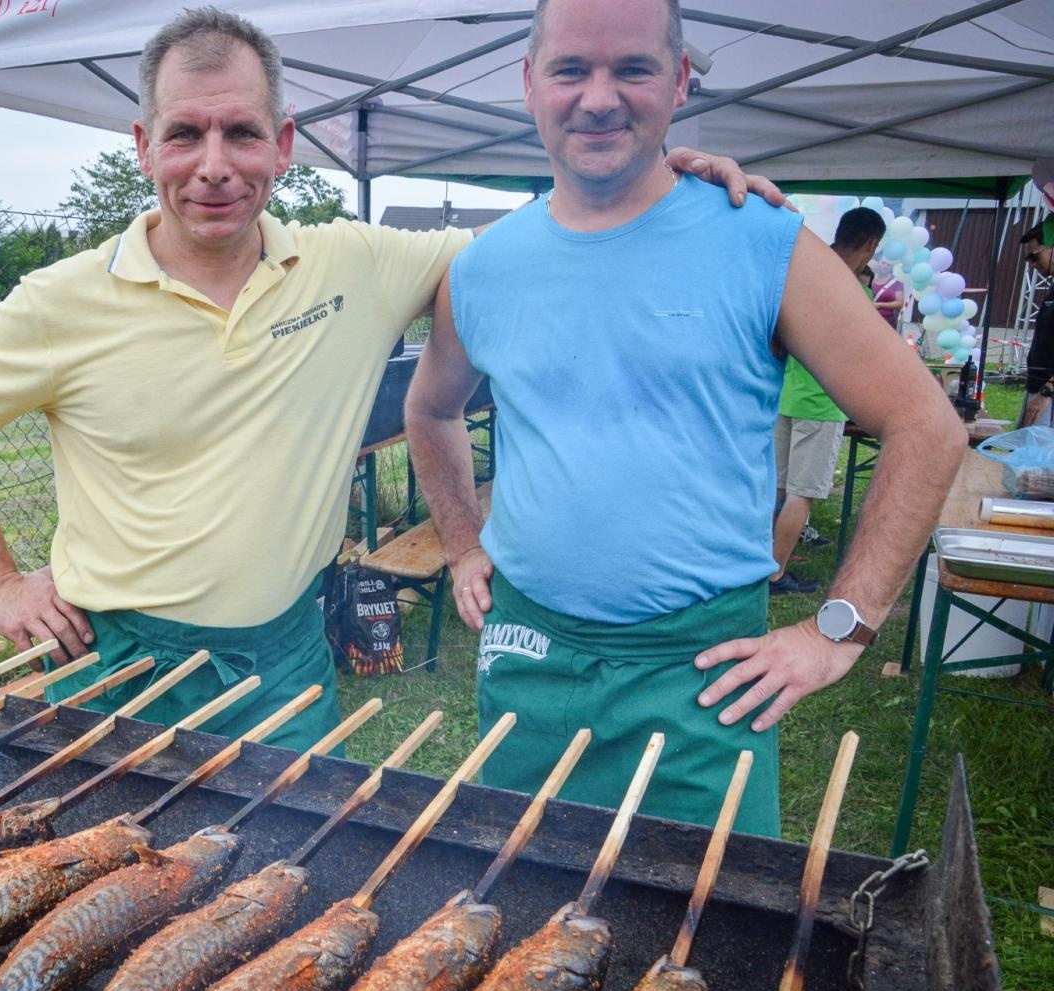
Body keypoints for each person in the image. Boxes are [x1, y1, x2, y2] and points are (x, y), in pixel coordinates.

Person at [0, 6, 783, 753]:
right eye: (185, 134)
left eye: (242, 132)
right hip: (120, 663)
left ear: (282, 145)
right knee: (103, 906)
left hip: (288, 657)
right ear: (144, 147)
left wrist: (655, 189)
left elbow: (533, 250)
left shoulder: (351, 264)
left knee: (282, 901)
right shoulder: (60, 300)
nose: (214, 164)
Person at [405, 0, 964, 835]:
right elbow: (431, 407)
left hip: (700, 674)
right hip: (529, 660)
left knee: (705, 941)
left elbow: (928, 427)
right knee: (516, 915)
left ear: (679, 82)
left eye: (632, 68)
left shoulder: (760, 239)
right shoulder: (484, 267)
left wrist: (840, 628)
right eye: (570, 70)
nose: (598, 98)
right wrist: (459, 543)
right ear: (529, 85)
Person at [769, 207, 888, 597]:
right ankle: (774, 575)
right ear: (870, 245)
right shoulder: (855, 291)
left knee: (775, 489)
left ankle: (757, 564)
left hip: (786, 395)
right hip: (820, 404)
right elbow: (861, 358)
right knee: (802, 494)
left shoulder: (805, 269)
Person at [1014, 219, 1054, 428]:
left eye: (1034, 256)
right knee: (1022, 456)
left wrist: (1048, 390)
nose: (1032, 264)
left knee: (1037, 459)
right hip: (1039, 387)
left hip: (1047, 394)